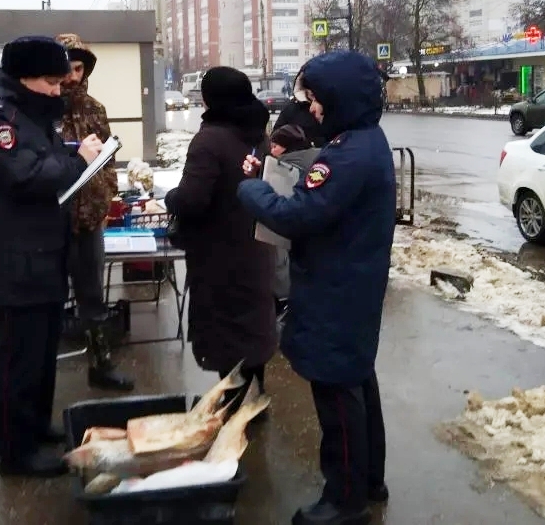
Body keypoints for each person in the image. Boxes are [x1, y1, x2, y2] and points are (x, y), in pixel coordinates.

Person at [237, 51, 396, 525]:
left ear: (340, 97)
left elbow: (298, 215)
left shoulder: (348, 154)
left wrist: (252, 189)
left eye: (317, 98)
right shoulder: (364, 141)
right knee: (357, 381)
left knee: (337, 395)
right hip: (353, 283)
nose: (312, 108)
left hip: (337, 289)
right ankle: (368, 481)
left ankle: (345, 501)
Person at [0, 35, 103, 478]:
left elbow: (44, 156)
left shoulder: (30, 115)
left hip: (42, 253)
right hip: (14, 259)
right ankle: (14, 451)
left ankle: (36, 427)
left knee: (41, 353)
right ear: (24, 78)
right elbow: (27, 175)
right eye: (51, 82)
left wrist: (72, 153)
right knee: (17, 358)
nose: (59, 90)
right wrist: (79, 160)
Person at [164, 66, 277, 400]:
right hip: (256, 244)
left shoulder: (210, 139)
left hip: (219, 253)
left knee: (227, 331)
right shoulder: (258, 133)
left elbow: (192, 200)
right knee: (251, 325)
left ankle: (235, 406)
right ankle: (253, 398)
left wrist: (170, 198)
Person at [55, 32, 134, 392]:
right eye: (66, 68)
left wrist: (107, 196)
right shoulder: (42, 109)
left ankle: (101, 365)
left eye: (78, 68)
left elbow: (108, 157)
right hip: (51, 222)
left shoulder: (94, 109)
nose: (72, 76)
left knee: (92, 298)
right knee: (47, 299)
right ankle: (41, 372)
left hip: (88, 221)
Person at [267, 124, 320, 316]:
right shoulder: (322, 157)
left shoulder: (282, 168)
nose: (272, 151)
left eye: (275, 146)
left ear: (287, 147)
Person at [272, 64, 325, 147]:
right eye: (309, 85)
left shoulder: (332, 106)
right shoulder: (292, 108)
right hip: (297, 153)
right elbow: (276, 137)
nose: (313, 89)